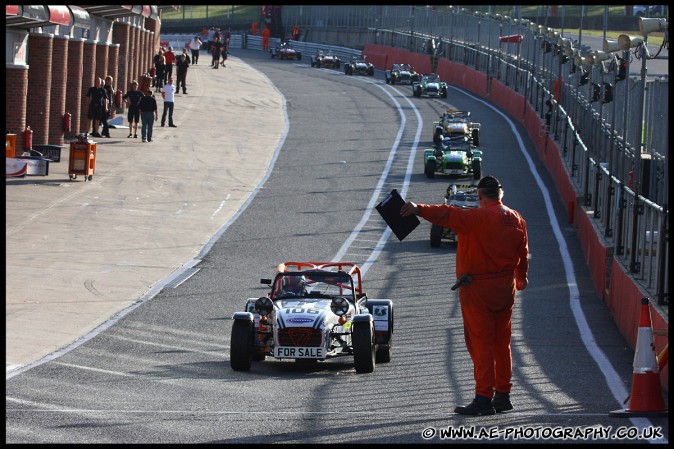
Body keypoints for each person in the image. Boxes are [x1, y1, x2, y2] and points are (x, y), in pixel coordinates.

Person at [400, 175, 529, 416]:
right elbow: (523, 252)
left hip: (478, 289)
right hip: (505, 287)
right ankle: (503, 395)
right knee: (502, 343)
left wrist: (418, 209)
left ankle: (483, 398)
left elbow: (447, 214)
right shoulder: (516, 218)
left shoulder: (477, 217)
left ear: (480, 197)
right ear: (501, 195)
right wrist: (521, 277)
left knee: (481, 343)